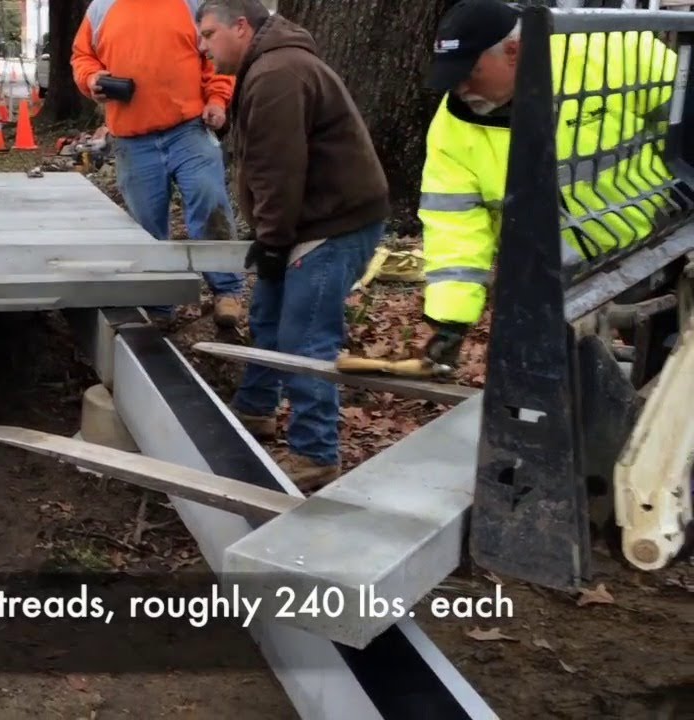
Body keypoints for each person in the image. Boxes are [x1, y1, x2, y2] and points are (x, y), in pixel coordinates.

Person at [196, 0, 391, 492]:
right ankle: (256, 409)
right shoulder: (269, 66)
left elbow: (277, 169)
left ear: (241, 27)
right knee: (267, 316)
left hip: (332, 225)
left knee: (306, 339)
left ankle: (315, 453)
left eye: (209, 34)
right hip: (307, 219)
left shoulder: (277, 75)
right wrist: (273, 239)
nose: (203, 47)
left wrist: (273, 241)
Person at [417, 0, 678, 367]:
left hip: (655, 246)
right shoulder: (451, 132)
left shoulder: (611, 55)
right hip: (555, 278)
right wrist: (450, 321)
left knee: (669, 362)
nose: (460, 87)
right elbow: (454, 226)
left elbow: (684, 112)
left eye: (471, 72)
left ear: (514, 52)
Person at [71, 0, 247, 329]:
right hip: (132, 138)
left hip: (189, 128)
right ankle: (158, 305)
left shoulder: (192, 4)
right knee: (146, 225)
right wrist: (92, 78)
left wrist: (216, 99)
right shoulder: (101, 8)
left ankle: (227, 290)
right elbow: (82, 56)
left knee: (208, 199)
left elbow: (217, 57)